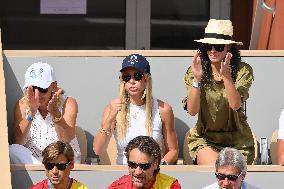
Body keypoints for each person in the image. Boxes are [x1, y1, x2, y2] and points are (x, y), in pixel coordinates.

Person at [182, 19, 255, 165]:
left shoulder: (243, 70)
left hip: (238, 141)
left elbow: (235, 105)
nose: (213, 51)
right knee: (220, 168)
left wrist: (227, 77)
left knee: (231, 175)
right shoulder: (195, 71)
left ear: (229, 47)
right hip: (205, 139)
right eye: (209, 46)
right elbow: (192, 111)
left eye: (219, 46)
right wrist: (197, 79)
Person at [93, 54, 178, 165]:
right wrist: (110, 119)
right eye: (127, 77)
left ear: (146, 79)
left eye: (137, 76)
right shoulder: (113, 108)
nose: (132, 81)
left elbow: (173, 150)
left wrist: (160, 165)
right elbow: (98, 150)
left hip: (153, 173)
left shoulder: (163, 109)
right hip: (124, 172)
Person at [10, 62, 81, 164]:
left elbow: (66, 139)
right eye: (33, 89)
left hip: (63, 162)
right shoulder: (22, 104)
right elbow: (17, 141)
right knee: (13, 150)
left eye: (42, 89)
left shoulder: (68, 103)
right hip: (34, 162)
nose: (37, 95)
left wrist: (55, 113)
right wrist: (31, 112)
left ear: (53, 86)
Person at [108, 135, 181, 189]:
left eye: (144, 166)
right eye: (132, 164)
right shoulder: (117, 187)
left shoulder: (171, 186)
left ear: (155, 164)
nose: (137, 172)